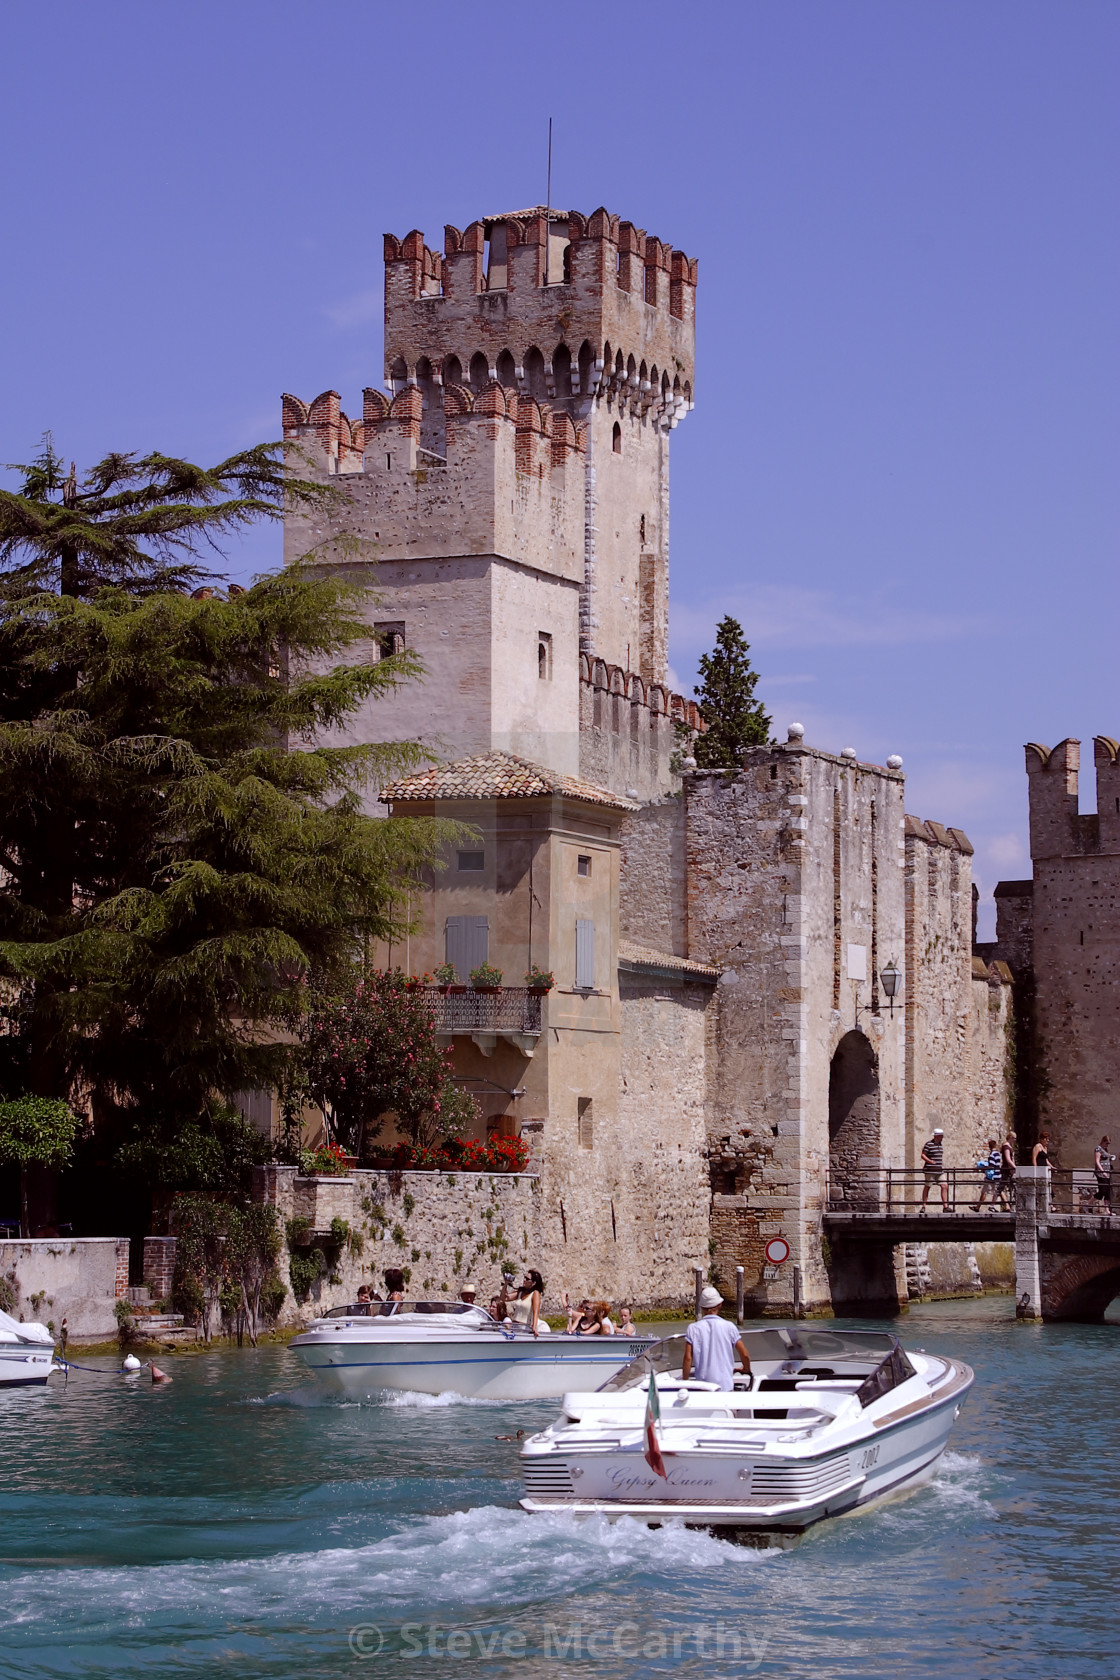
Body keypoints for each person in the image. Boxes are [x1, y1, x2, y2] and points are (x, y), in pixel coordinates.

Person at [681, 1286, 751, 1390]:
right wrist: (746, 1368)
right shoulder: (729, 1327)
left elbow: (688, 1358)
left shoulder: (693, 1328)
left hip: (703, 1387)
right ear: (720, 1304)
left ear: (702, 1307)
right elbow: (744, 1354)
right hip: (725, 1386)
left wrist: (685, 1382)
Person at [508, 1269, 545, 1337]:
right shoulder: (520, 1293)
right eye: (524, 1278)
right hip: (514, 1326)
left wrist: (534, 1327)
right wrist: (505, 1283)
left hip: (524, 1328)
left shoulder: (535, 1294)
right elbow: (503, 1298)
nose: (524, 1280)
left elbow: (535, 1312)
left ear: (533, 1283)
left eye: (527, 1279)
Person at [920, 1127, 948, 1213]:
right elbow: (923, 1155)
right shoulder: (929, 1144)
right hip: (930, 1170)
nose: (942, 1138)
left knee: (944, 1186)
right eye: (940, 1136)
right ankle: (923, 1206)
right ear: (936, 1136)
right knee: (927, 1186)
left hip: (939, 1170)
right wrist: (930, 1161)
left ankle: (945, 1207)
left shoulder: (940, 1145)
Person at [972, 1139, 1001, 1211]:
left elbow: (991, 1166)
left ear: (989, 1147)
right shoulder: (998, 1154)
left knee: (984, 1191)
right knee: (997, 1191)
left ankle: (979, 1207)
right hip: (997, 1175)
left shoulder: (992, 1155)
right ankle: (992, 1206)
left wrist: (983, 1168)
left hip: (992, 1176)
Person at [996, 1131, 1017, 1209]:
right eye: (1014, 1138)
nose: (1015, 1140)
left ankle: (1012, 1206)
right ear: (1010, 1138)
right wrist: (1015, 1167)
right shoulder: (1006, 1146)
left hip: (1009, 1170)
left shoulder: (1009, 1146)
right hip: (1006, 1170)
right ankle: (992, 1205)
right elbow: (1008, 1159)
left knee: (1013, 1187)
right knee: (1001, 1188)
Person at [1094, 1136, 1114, 1211]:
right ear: (1103, 1141)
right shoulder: (1098, 1149)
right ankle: (1088, 1204)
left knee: (1107, 1191)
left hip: (1107, 1173)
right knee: (1102, 1190)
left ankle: (1107, 1210)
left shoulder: (1106, 1150)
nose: (1107, 1145)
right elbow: (1097, 1161)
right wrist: (1102, 1171)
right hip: (1101, 1173)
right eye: (1107, 1143)